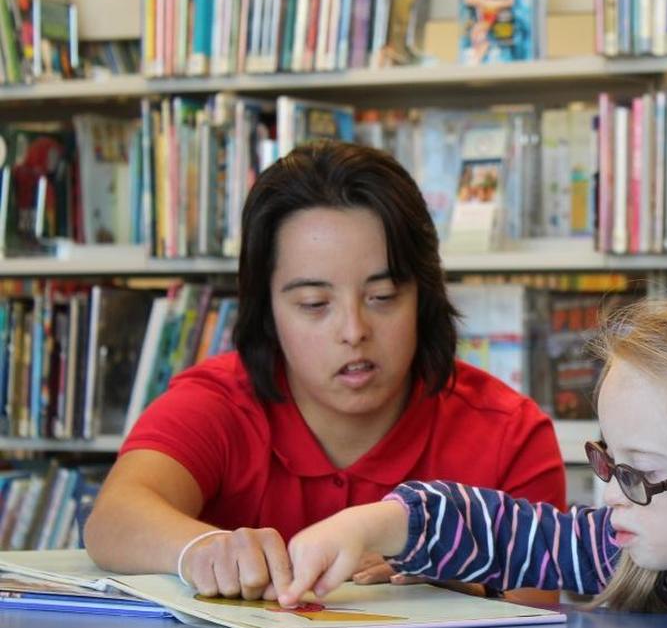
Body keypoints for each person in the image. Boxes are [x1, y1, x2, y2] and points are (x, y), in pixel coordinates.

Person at [83, 141, 565, 605]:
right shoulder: (218, 403)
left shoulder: (508, 433)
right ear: (266, 309)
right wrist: (202, 550)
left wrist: (458, 590)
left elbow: (535, 605)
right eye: (314, 304)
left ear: (424, 296)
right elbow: (113, 518)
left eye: (382, 297)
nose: (354, 331)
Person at [277, 299, 667, 626]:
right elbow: (502, 531)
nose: (610, 493)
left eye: (638, 473)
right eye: (609, 461)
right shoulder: (629, 547)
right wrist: (369, 525)